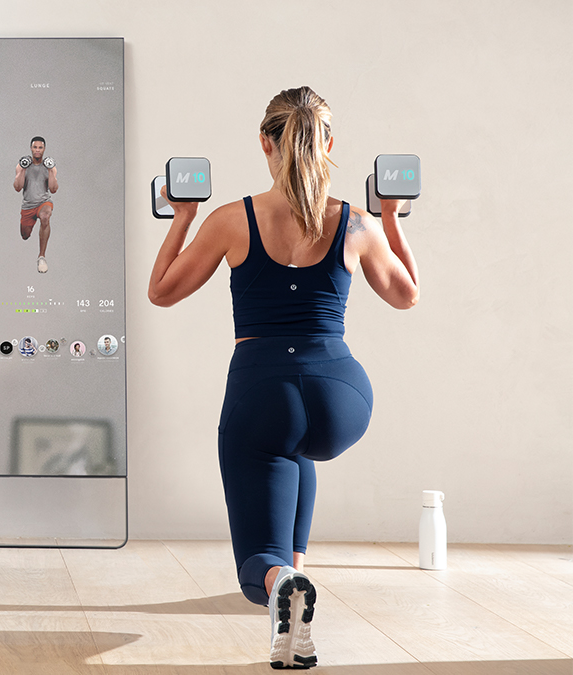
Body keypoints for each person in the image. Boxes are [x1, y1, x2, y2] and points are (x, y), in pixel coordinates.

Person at [147, 86, 418, 669]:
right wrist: (391, 218)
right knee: (296, 451)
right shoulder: (356, 221)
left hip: (262, 389)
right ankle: (293, 602)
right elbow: (406, 294)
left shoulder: (232, 220)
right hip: (342, 397)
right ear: (327, 143)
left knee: (255, 564)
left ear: (266, 144)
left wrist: (183, 217)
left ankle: (277, 584)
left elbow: (162, 291)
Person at [13, 136, 59, 273]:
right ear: (31, 148)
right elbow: (17, 187)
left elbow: (53, 189)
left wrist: (51, 171)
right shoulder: (22, 165)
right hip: (28, 205)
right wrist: (22, 170)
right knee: (25, 235)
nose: (37, 150)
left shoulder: (50, 167)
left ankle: (41, 257)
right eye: (35, 147)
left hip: (43, 202)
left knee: (45, 216)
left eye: (40, 147)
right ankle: (28, 229)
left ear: (44, 149)